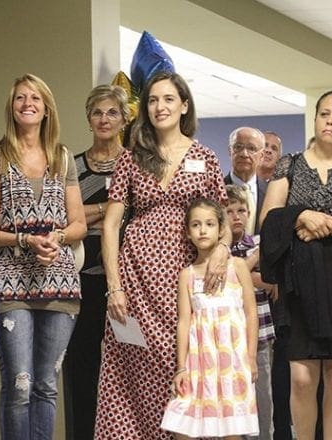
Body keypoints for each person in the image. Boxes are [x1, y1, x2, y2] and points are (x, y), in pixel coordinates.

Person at [95, 71, 229, 439]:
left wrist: (222, 249)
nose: (160, 107)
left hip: (184, 281)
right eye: (153, 100)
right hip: (134, 281)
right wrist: (114, 287)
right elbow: (110, 225)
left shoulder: (206, 157)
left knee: (179, 364)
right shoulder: (132, 158)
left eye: (169, 99)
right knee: (131, 368)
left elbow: (222, 221)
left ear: (184, 105)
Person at [259, 90, 332, 440]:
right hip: (298, 278)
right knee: (301, 376)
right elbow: (268, 219)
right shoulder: (290, 164)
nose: (330, 120)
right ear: (315, 119)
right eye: (324, 113)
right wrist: (303, 216)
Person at [0, 73, 87, 440]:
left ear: (46, 108)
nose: (27, 103)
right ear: (11, 106)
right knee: (19, 383)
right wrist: (25, 240)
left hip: (60, 284)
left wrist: (57, 237)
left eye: (35, 98)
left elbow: (78, 222)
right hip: (10, 283)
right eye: (20, 98)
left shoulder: (62, 157)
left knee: (46, 385)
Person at [62, 84, 129, 440]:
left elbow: (137, 215)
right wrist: (107, 211)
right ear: (89, 118)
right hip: (82, 279)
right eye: (97, 112)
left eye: (112, 112)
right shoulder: (72, 166)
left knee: (128, 364)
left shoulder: (135, 164)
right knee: (81, 364)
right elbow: (63, 218)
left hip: (126, 281)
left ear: (124, 119)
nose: (104, 119)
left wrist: (88, 217)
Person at [161, 197, 259, 439]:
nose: (202, 230)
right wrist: (181, 366)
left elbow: (251, 313)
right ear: (187, 233)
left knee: (231, 428)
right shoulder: (188, 274)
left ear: (221, 229)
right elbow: (184, 321)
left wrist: (251, 356)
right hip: (198, 361)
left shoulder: (237, 267)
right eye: (195, 225)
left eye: (209, 224)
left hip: (233, 360)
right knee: (183, 424)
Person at [226, 184, 275, 440]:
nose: (236, 216)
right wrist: (252, 265)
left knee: (262, 403)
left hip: (261, 337)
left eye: (242, 210)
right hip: (226, 340)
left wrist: (252, 274)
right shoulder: (218, 251)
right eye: (229, 210)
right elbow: (224, 280)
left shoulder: (258, 243)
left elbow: (273, 280)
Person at [224, 127, 267, 234]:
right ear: (230, 151)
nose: (244, 154)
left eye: (251, 148)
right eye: (238, 147)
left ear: (261, 156)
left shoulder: (270, 193)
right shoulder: (216, 191)